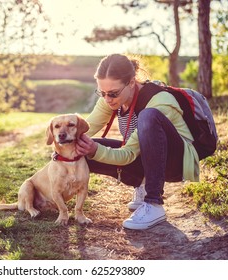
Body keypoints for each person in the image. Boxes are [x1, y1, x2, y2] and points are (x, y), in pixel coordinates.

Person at [76, 53, 199, 230]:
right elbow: (84, 129)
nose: (107, 99)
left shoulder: (159, 101)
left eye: (112, 93)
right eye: (102, 93)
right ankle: (142, 183)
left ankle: (154, 203)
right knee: (80, 149)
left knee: (148, 117)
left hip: (175, 162)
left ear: (131, 82)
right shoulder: (110, 99)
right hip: (143, 156)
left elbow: (127, 155)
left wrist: (96, 150)